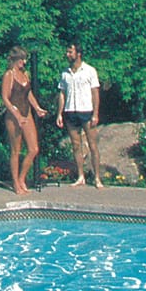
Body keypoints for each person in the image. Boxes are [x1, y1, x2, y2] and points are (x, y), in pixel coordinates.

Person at [56, 42, 103, 189]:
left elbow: (95, 93)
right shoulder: (65, 73)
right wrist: (59, 113)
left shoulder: (89, 71)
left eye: (70, 52)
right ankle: (80, 176)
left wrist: (95, 113)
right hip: (70, 111)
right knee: (76, 145)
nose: (68, 54)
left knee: (92, 144)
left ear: (78, 53)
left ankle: (97, 177)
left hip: (86, 111)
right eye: (67, 52)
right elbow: (62, 94)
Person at [1, 46, 48, 195]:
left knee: (34, 149)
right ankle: (15, 183)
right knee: (16, 151)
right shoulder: (9, 75)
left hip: (26, 113)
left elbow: (29, 94)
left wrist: (38, 108)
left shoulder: (25, 74)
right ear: (15, 60)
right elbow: (5, 98)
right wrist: (16, 115)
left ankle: (22, 178)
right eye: (22, 59)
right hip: (13, 116)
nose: (24, 62)